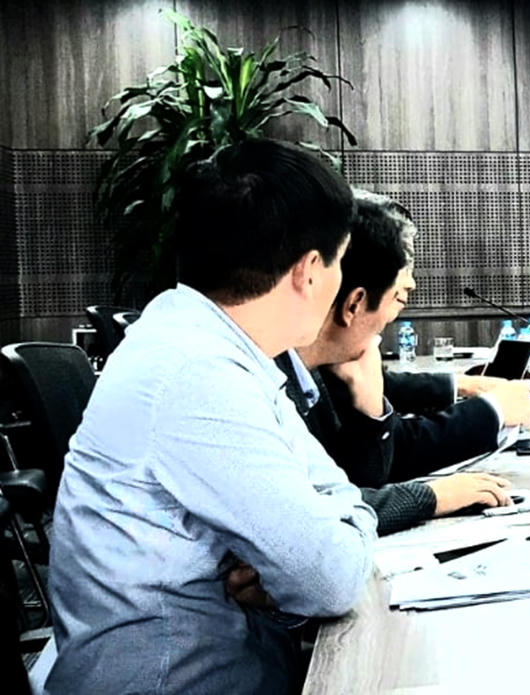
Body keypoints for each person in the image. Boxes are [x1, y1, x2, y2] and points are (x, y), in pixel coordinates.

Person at [46, 138, 375, 693]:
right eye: (340, 260)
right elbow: (331, 576)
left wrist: (320, 549)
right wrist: (329, 545)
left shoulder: (214, 345)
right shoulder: (196, 374)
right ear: (309, 271)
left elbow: (339, 496)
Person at [275, 191, 530, 534]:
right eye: (399, 293)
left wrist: (371, 410)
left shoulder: (313, 372)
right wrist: (431, 497)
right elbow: (313, 515)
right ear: (354, 304)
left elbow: (354, 482)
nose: (407, 291)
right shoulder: (265, 380)